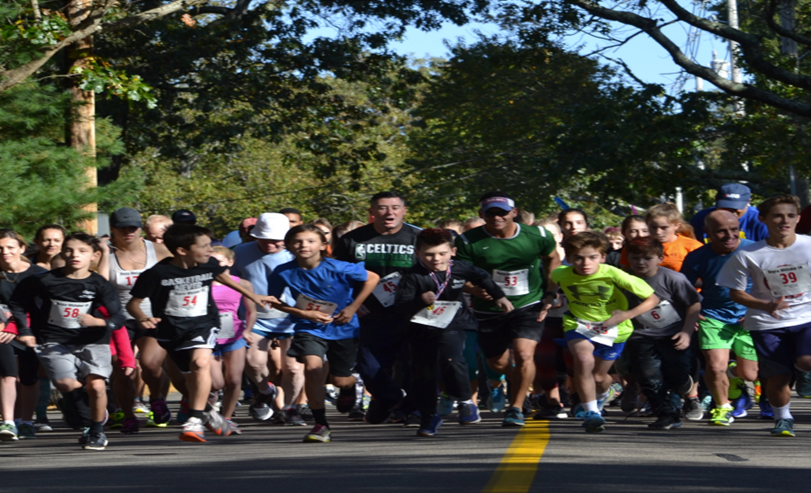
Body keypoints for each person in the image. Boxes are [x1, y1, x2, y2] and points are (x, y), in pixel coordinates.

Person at [127, 223, 274, 442]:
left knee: (201, 363)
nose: (210, 250)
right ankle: (208, 413)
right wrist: (142, 318)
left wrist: (252, 296)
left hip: (203, 325)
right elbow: (134, 304)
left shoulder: (209, 264)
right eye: (204, 246)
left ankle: (194, 421)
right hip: (171, 330)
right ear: (182, 250)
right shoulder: (157, 273)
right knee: (188, 380)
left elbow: (223, 277)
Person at [10, 233, 127, 450]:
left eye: (82, 251)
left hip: (92, 340)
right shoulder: (44, 280)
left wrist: (99, 322)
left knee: (97, 385)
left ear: (94, 255)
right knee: (64, 384)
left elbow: (119, 316)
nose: (75, 255)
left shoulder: (99, 284)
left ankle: (96, 431)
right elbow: (17, 303)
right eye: (70, 250)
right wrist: (25, 330)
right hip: (53, 340)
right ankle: (92, 412)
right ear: (62, 252)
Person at [455, 192, 560, 427]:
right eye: (490, 213)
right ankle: (514, 387)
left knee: (524, 354)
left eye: (502, 212)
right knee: (498, 364)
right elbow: (457, 274)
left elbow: (553, 258)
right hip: (488, 309)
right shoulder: (468, 241)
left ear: (514, 212)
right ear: (482, 215)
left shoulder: (538, 236)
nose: (497, 217)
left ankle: (516, 407)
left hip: (528, 304)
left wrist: (551, 292)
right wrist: (473, 289)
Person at [267, 224, 379, 442]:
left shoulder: (339, 267)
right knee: (313, 368)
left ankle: (348, 389)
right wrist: (302, 313)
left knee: (340, 380)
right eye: (298, 241)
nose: (304, 245)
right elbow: (274, 301)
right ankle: (321, 424)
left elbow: (372, 278)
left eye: (310, 241)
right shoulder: (283, 272)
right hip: (308, 327)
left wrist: (353, 307)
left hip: (343, 327)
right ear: (288, 245)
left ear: (323, 245)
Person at [397, 228, 512, 436]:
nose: (436, 259)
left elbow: (482, 276)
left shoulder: (460, 269)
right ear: (418, 254)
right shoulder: (412, 276)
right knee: (423, 375)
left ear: (453, 251)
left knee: (452, 358)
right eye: (429, 254)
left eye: (442, 253)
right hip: (421, 328)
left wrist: (499, 296)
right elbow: (401, 305)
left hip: (454, 323)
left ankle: (466, 401)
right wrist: (419, 301)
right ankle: (428, 417)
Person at [717, 194, 811, 437]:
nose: (784, 221)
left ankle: (802, 372)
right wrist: (765, 304)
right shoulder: (748, 254)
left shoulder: (808, 245)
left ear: (798, 218)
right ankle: (783, 419)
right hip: (767, 323)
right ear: (763, 219)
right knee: (778, 377)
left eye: (790, 215)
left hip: (806, 317)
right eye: (778, 216)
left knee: (806, 361)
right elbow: (735, 293)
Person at [552, 232, 659, 433]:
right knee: (583, 359)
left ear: (602, 257)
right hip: (579, 325)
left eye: (592, 257)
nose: (585, 263)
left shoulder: (613, 273)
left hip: (614, 330)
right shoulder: (560, 273)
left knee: (600, 378)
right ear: (569, 258)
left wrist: (625, 315)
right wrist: (550, 298)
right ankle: (592, 413)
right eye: (578, 258)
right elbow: (553, 284)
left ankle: (603, 394)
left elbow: (652, 299)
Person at [681, 210, 760, 426]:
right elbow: (684, 288)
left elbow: (772, 284)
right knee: (715, 367)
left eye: (734, 229)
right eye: (721, 232)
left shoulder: (756, 249)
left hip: (748, 317)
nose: (730, 235)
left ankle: (734, 378)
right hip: (713, 317)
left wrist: (758, 309)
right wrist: (693, 313)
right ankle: (722, 407)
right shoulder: (697, 257)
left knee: (750, 374)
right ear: (707, 233)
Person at [102, 208, 174, 431]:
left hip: (153, 317)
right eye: (122, 228)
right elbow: (102, 286)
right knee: (123, 368)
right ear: (112, 229)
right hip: (121, 318)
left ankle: (157, 399)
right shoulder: (106, 254)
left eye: (132, 227)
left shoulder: (159, 250)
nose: (128, 232)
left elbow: (178, 275)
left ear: (140, 229)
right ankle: (127, 414)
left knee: (151, 364)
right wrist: (104, 254)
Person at [231, 213, 302, 425]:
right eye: (265, 238)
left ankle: (290, 408)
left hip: (292, 317)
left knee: (294, 367)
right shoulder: (241, 252)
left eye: (276, 239)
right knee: (254, 363)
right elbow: (232, 281)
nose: (271, 243)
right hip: (256, 317)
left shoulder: (296, 254)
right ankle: (264, 390)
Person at [625, 236, 701, 430]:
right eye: (635, 258)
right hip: (642, 336)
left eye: (647, 258)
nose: (641, 263)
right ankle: (667, 414)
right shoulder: (623, 280)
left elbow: (693, 303)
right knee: (649, 378)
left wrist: (686, 332)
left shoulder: (673, 278)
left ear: (659, 258)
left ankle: (685, 382)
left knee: (675, 374)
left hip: (673, 334)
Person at [0, 230, 45, 441]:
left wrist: (16, 327)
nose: (5, 252)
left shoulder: (38, 275)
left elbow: (41, 307)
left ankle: (26, 422)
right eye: (0, 249)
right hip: (2, 333)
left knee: (29, 376)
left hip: (30, 330)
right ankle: (8, 422)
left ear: (21, 249)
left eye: (10, 247)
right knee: (7, 372)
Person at [209, 246, 256, 435]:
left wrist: (248, 330)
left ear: (230, 262)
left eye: (219, 261)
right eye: (210, 261)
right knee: (216, 383)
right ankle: (208, 410)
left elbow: (252, 310)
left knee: (235, 380)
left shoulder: (242, 284)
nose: (214, 265)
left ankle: (226, 419)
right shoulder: (203, 283)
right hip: (209, 337)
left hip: (234, 334)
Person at [690, 183, 769, 243]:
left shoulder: (761, 219)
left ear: (748, 202)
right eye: (725, 207)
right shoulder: (702, 218)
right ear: (716, 200)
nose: (730, 212)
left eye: (735, 208)